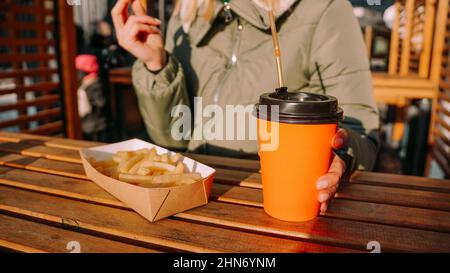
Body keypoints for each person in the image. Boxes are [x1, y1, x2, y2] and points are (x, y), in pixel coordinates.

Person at [111, 0, 380, 212]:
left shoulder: (325, 9)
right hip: (189, 195)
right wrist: (157, 64)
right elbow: (172, 136)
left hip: (265, 203)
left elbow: (360, 132)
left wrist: (340, 156)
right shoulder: (190, 10)